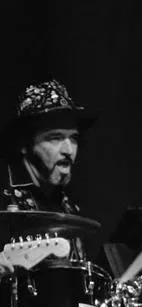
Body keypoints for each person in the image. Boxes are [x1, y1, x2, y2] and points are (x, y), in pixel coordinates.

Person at [0, 79, 98, 272]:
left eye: (74, 138)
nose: (69, 150)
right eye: (55, 138)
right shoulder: (3, 195)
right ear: (24, 144)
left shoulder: (68, 206)